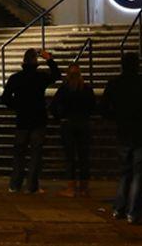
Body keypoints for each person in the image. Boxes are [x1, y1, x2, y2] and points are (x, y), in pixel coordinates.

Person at [100, 52, 142, 224]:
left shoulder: (114, 83)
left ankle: (119, 208)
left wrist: (116, 116)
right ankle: (133, 212)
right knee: (139, 175)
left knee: (125, 173)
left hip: (124, 132)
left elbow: (103, 107)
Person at [1, 48, 60, 194]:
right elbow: (57, 75)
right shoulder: (40, 77)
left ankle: (15, 184)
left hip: (22, 119)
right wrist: (49, 59)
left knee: (19, 154)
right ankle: (31, 185)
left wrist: (17, 106)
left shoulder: (16, 78)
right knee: (35, 154)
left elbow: (5, 98)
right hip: (38, 119)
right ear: (36, 61)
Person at [50, 63, 95, 197]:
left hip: (68, 124)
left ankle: (71, 188)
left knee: (70, 157)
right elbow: (93, 106)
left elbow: (53, 107)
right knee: (83, 157)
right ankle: (84, 188)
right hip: (83, 124)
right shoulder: (86, 89)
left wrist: (60, 117)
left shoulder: (64, 89)